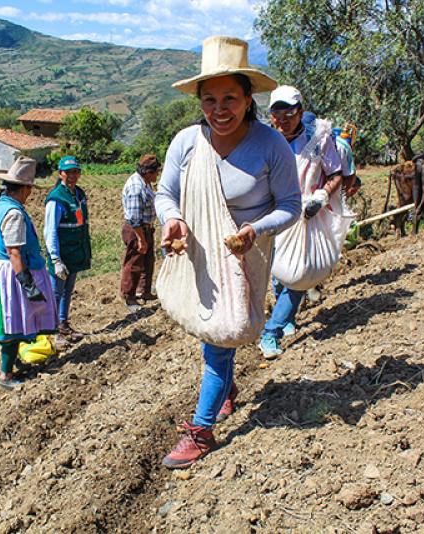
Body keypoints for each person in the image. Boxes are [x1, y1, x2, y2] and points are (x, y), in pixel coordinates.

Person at [155, 36, 302, 469]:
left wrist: (255, 229)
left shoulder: (270, 146)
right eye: (210, 99)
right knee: (210, 336)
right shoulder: (186, 143)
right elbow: (166, 194)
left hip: (244, 258)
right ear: (200, 101)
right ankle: (227, 390)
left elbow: (291, 205)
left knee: (221, 342)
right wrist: (172, 220)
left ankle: (201, 432)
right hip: (198, 255)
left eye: (230, 99)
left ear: (248, 98)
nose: (220, 110)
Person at [258, 86, 343, 359]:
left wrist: (322, 194)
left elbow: (336, 173)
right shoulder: (266, 140)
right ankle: (288, 316)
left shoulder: (318, 141)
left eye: (289, 113)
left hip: (305, 213)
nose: (282, 119)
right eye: (276, 113)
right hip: (273, 214)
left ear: (301, 112)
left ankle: (271, 332)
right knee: (278, 271)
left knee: (299, 274)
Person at [0, 157, 58, 390]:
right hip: (11, 274)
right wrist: (27, 283)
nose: (30, 194)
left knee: (14, 321)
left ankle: (14, 362)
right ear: (24, 188)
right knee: (11, 325)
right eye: (29, 189)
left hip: (2, 270)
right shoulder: (13, 213)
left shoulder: (0, 204)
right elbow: (14, 252)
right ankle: (6, 375)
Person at [44, 155, 92, 347]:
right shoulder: (56, 199)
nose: (72, 175)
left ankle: (63, 324)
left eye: (75, 172)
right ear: (60, 174)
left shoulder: (78, 194)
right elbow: (50, 231)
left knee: (68, 290)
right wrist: (55, 259)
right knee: (56, 293)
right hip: (62, 254)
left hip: (74, 253)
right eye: (68, 172)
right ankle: (53, 331)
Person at [120, 154, 160, 312]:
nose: (157, 175)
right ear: (148, 172)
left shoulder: (146, 183)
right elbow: (134, 218)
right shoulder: (136, 187)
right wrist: (141, 239)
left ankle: (143, 291)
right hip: (137, 229)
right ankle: (128, 296)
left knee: (147, 261)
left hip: (146, 228)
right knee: (134, 263)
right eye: (156, 172)